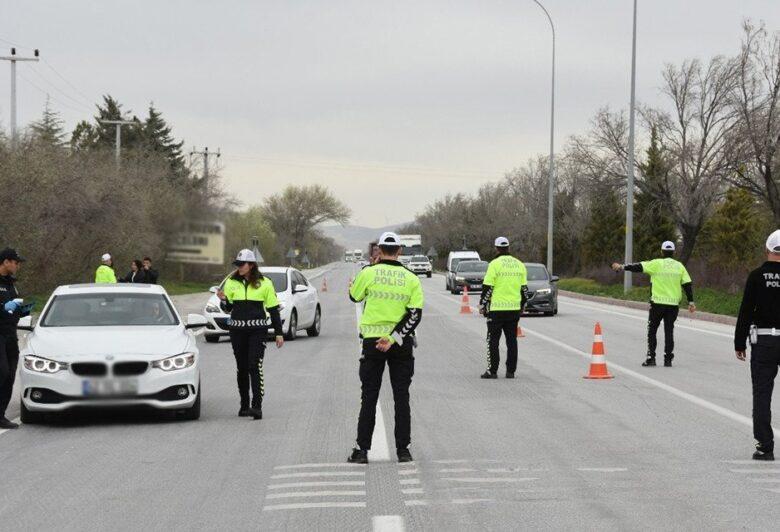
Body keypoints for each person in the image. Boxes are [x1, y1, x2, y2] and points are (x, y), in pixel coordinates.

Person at [348, 232, 424, 464]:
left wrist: (353, 286)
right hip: (400, 344)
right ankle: (403, 451)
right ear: (399, 250)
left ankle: (362, 451)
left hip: (372, 342)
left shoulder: (368, 273)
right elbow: (415, 315)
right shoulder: (411, 278)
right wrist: (393, 338)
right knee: (402, 397)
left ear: (379, 250)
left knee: (369, 397)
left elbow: (354, 297)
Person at [217, 249, 284, 420]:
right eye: (237, 264)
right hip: (237, 332)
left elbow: (273, 309)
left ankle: (257, 406)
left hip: (257, 332)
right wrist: (224, 300)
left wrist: (278, 333)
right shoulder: (231, 282)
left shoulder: (265, 283)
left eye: (242, 264)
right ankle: (244, 405)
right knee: (242, 368)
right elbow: (228, 308)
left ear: (252, 265)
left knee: (255, 366)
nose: (239, 267)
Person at [611, 241, 695, 367]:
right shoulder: (680, 266)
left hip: (657, 304)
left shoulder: (656, 263)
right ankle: (668, 360)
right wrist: (691, 302)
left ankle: (651, 358)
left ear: (661, 251)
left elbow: (638, 266)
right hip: (673, 306)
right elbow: (687, 285)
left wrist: (622, 267)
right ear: (674, 252)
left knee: (652, 330)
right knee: (669, 331)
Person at [735, 229, 780, 461]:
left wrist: (739, 341)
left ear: (767, 250)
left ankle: (765, 446)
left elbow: (746, 310)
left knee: (762, 393)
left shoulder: (756, 276)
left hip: (764, 341)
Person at [478, 237, 528, 379]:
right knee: (512, 341)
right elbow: (524, 289)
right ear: (508, 247)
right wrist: (522, 305)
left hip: (496, 310)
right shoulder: (519, 264)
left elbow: (488, 287)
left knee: (492, 340)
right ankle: (511, 371)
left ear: (496, 248)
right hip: (513, 310)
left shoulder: (494, 264)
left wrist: (483, 304)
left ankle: (492, 371)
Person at [0, 248, 32, 429]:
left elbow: (13, 309)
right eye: (16, 262)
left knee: (10, 374)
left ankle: (0, 415)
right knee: (1, 371)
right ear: (6, 262)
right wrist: (3, 307)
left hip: (11, 333)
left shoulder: (12, 284)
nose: (18, 266)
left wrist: (22, 310)